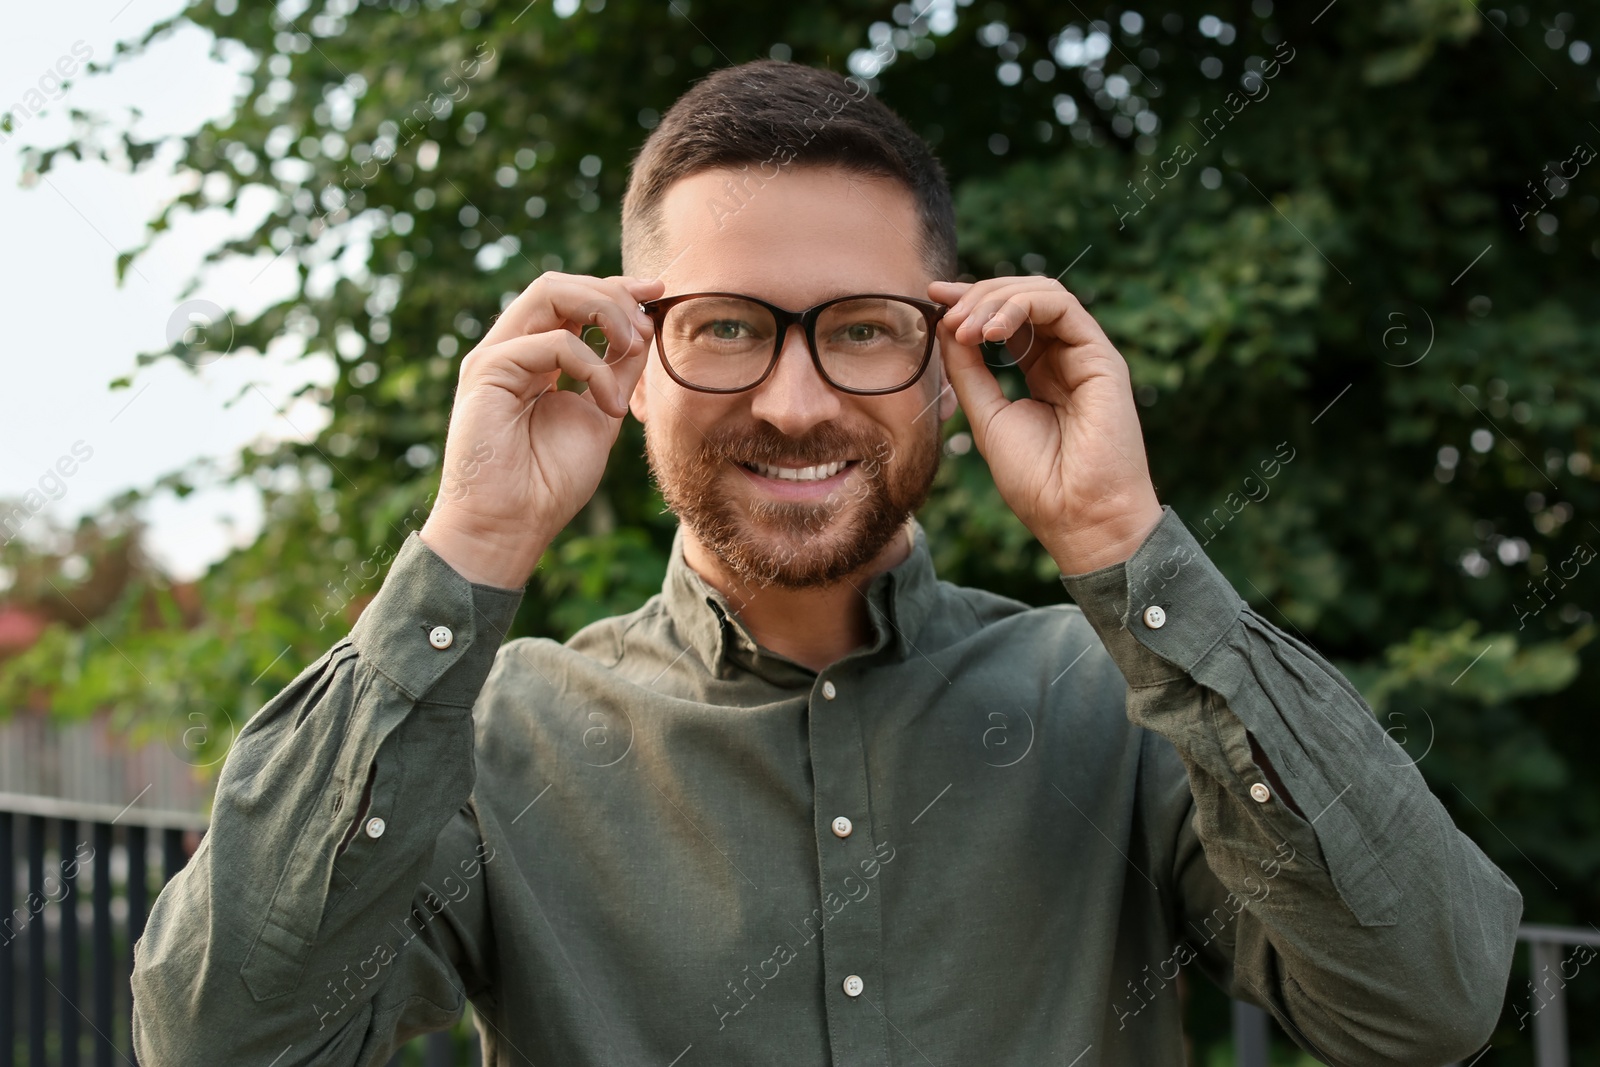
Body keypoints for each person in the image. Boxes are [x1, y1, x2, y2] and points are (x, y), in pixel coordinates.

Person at [131, 60, 1521, 1066]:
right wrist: (467, 548)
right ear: (632, 363)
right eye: (729, 326)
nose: (795, 401)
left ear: (949, 362)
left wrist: (1125, 547)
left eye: (860, 327)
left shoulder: (1118, 705)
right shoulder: (498, 735)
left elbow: (1431, 1003)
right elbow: (220, 1041)